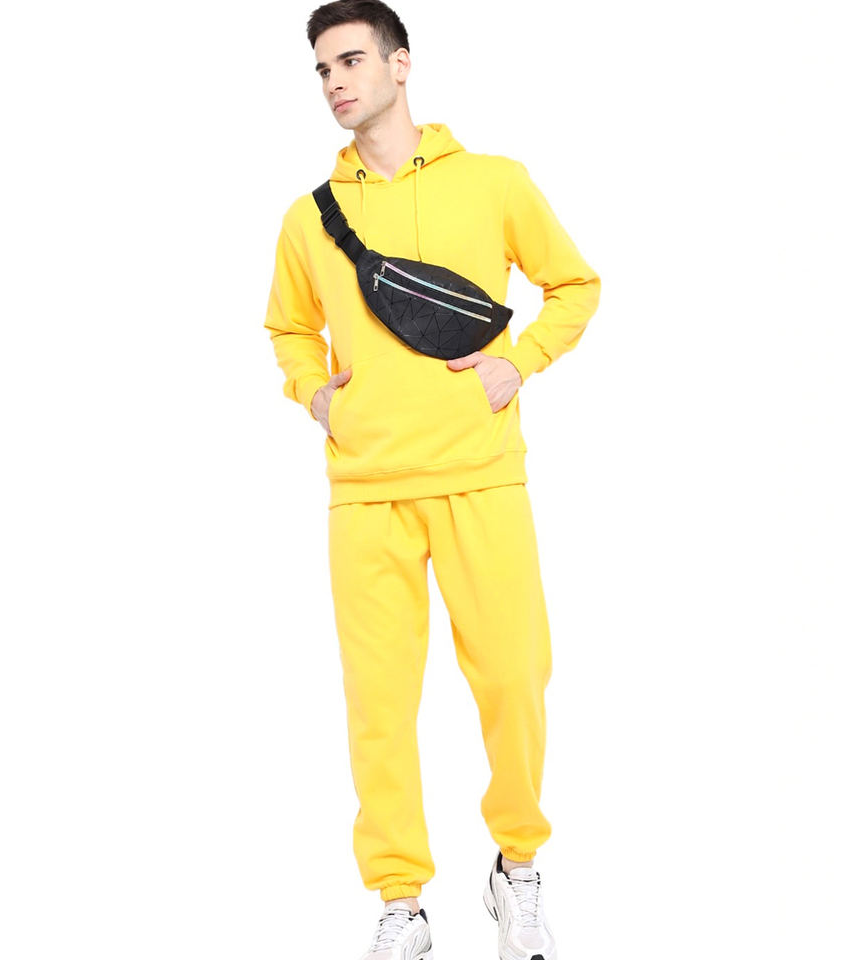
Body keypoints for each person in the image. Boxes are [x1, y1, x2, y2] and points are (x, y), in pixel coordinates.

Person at [263, 2, 600, 958]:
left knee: (515, 679)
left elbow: (575, 285)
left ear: (401, 64)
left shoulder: (494, 181)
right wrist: (313, 396)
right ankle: (401, 901)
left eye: (351, 60)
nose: (335, 81)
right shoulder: (308, 218)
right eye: (322, 69)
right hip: (366, 491)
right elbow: (288, 328)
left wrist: (519, 363)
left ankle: (516, 866)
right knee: (379, 704)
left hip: (481, 476)